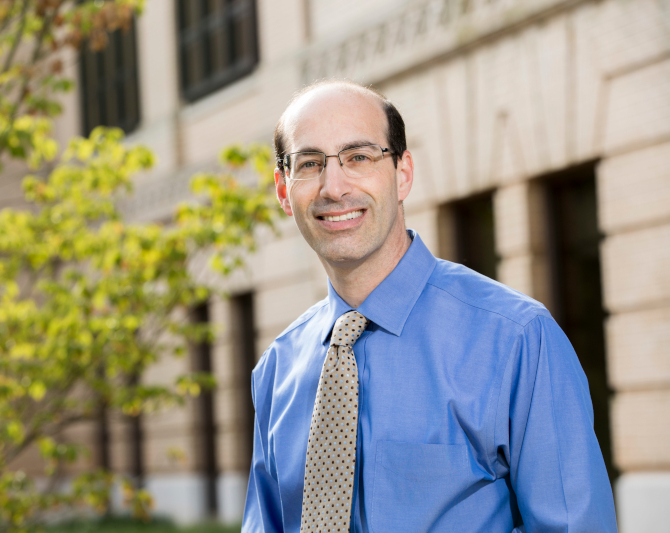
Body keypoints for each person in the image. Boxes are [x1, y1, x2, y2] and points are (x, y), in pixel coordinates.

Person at [241, 80, 617, 532]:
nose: (333, 187)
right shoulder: (277, 370)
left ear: (402, 173)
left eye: (359, 157)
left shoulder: (517, 338)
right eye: (310, 163)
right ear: (284, 190)